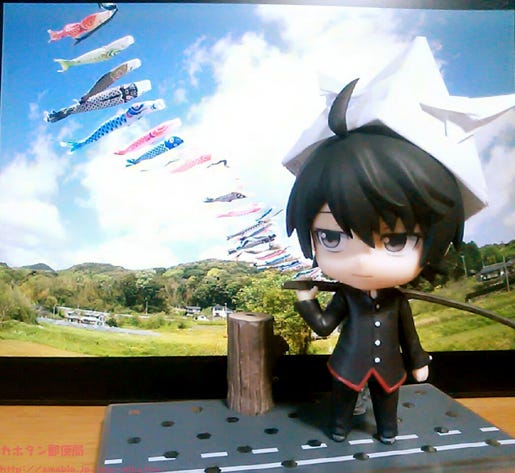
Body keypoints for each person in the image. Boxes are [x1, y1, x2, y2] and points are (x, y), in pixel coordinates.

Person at [283, 37, 514, 444]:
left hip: (390, 369)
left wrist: (419, 361)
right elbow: (323, 327)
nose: (363, 261)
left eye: (395, 241)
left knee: (387, 407)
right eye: (332, 236)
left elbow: (409, 336)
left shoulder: (398, 301)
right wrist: (306, 301)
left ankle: (388, 432)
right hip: (347, 368)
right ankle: (338, 429)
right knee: (341, 409)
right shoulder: (347, 297)